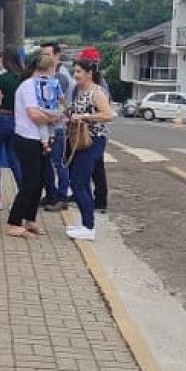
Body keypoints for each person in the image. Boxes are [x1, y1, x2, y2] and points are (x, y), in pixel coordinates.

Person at [6, 54, 63, 238]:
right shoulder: (29, 86)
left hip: (38, 139)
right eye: (54, 69)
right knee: (30, 182)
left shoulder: (42, 86)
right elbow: (34, 114)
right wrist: (53, 118)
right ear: (48, 69)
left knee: (39, 181)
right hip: (27, 138)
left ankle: (30, 219)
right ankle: (14, 221)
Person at [65, 58, 115, 240]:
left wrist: (85, 117)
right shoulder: (80, 90)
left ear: (89, 73)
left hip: (93, 141)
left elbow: (108, 115)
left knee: (78, 182)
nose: (75, 75)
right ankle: (85, 222)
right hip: (80, 139)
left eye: (79, 71)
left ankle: (88, 226)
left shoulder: (97, 92)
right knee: (81, 182)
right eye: (75, 71)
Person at [0, 47, 25, 211]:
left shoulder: (2, 79)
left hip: (0, 118)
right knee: (14, 158)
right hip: (17, 120)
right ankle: (23, 194)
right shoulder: (24, 79)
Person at [76, 46, 111, 213]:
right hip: (87, 134)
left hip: (94, 135)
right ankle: (96, 201)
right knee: (95, 169)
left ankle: (98, 202)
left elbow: (107, 113)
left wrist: (85, 117)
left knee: (93, 170)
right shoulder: (90, 83)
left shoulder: (98, 87)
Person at [40, 42, 73, 211]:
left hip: (58, 127)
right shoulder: (50, 75)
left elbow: (58, 103)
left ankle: (62, 197)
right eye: (42, 55)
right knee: (48, 163)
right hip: (50, 126)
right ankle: (51, 194)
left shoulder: (60, 77)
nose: (44, 58)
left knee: (59, 163)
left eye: (47, 54)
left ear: (57, 55)